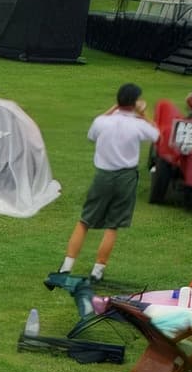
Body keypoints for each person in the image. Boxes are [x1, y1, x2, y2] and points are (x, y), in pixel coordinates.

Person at [56, 82, 158, 283]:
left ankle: (66, 266)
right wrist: (143, 114)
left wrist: (115, 108)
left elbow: (91, 134)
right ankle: (97, 270)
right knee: (113, 225)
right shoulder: (138, 125)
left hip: (103, 175)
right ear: (134, 103)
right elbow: (157, 134)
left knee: (85, 220)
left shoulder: (102, 122)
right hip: (126, 177)